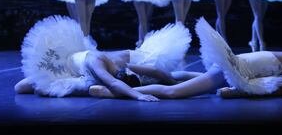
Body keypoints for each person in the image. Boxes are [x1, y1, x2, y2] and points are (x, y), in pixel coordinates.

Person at [98, 14, 282, 99]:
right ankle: (116, 90)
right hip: (232, 66)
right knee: (173, 92)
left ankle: (130, 73)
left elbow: (264, 90)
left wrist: (234, 94)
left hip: (234, 72)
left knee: (175, 78)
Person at [14, 16, 197, 101]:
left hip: (77, 72)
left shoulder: (114, 71)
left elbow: (152, 73)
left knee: (26, 88)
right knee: (22, 87)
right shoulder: (101, 64)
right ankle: (186, 79)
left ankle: (194, 79)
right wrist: (139, 95)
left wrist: (141, 93)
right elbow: (117, 83)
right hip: (70, 61)